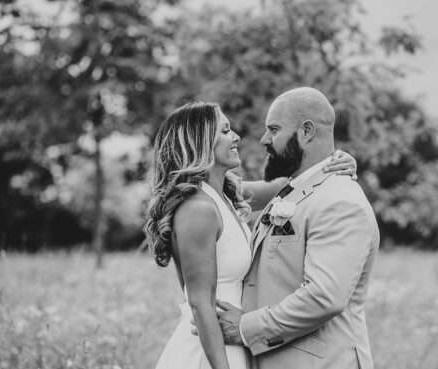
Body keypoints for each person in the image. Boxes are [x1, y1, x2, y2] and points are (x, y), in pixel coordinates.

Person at [144, 101, 357, 369]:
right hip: (209, 350)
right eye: (224, 131)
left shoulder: (225, 195)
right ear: (199, 142)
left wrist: (338, 160)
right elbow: (200, 303)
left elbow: (289, 184)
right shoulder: (198, 209)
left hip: (234, 340)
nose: (236, 137)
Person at [214, 87, 380, 369]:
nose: (264, 139)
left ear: (306, 131)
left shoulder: (340, 201)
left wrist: (245, 327)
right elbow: (226, 191)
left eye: (274, 129)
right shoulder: (291, 188)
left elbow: (323, 296)